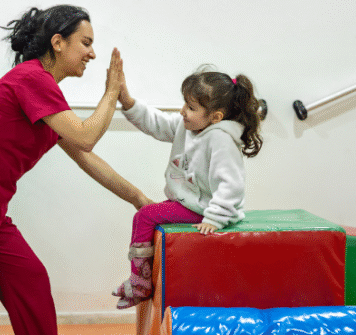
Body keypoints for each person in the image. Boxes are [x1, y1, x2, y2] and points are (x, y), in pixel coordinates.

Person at [0, 5, 152, 335]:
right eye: (85, 43)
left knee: (30, 282)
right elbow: (87, 135)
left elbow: (86, 154)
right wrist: (112, 91)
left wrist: (140, 199)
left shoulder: (45, 92)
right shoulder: (31, 78)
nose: (93, 54)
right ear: (58, 42)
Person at [111, 65, 264, 309]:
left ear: (216, 117)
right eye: (185, 103)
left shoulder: (221, 139)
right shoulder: (188, 127)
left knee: (145, 216)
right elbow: (157, 123)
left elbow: (231, 184)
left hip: (204, 209)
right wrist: (128, 102)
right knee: (150, 216)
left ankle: (139, 281)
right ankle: (143, 278)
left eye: (191, 108)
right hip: (189, 203)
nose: (183, 111)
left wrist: (214, 218)